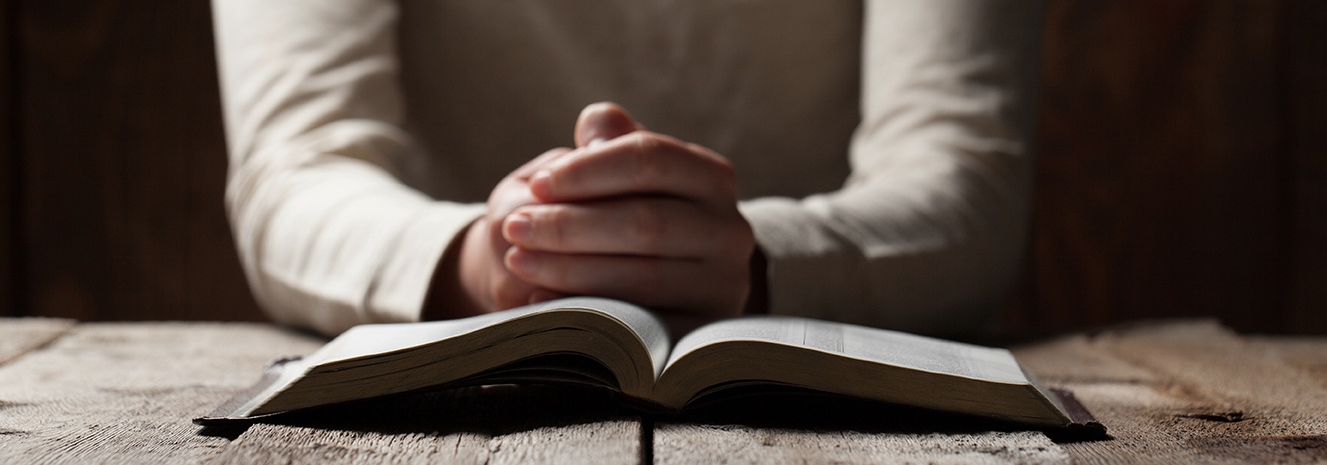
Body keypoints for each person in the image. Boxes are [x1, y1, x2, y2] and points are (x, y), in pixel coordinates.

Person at [211, 0, 1043, 337]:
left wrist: (756, 260)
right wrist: (489, 257)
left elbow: (964, 180)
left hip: (822, 398)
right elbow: (296, 169)